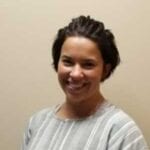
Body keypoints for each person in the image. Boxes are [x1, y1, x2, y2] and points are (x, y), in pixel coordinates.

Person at [22, 15, 149, 150]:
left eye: (88, 64)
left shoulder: (121, 132)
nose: (76, 74)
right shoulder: (37, 123)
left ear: (105, 70)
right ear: (57, 63)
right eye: (68, 62)